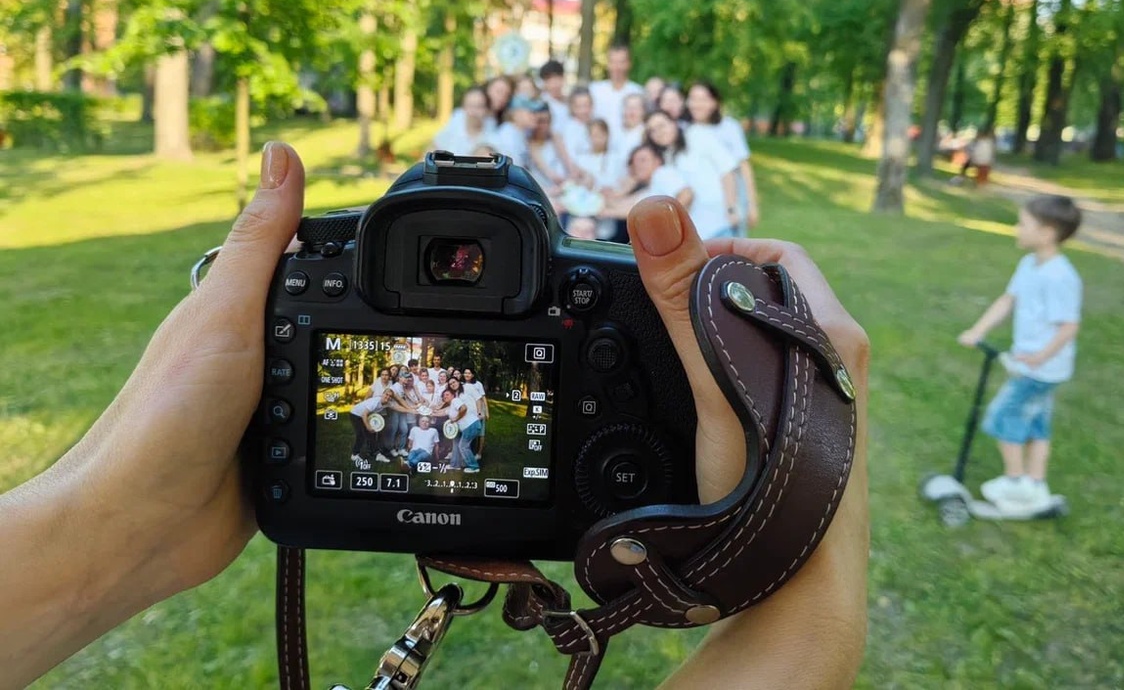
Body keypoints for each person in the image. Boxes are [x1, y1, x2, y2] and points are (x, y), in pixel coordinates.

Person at [0, 142, 868, 690]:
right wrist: (808, 483)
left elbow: (445, 406)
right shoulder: (403, 394)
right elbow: (397, 400)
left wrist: (118, 529)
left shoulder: (461, 398)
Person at [957, 194, 1084, 508]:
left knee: (1004, 416)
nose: (1017, 228)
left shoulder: (1059, 276)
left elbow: (1069, 326)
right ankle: (1035, 483)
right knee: (1037, 423)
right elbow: (1008, 300)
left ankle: (1015, 482)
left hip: (1039, 368)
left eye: (1023, 223)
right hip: (1037, 365)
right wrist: (978, 330)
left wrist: (1039, 358)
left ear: (1047, 232)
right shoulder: (1029, 264)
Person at [645, 110, 739, 241]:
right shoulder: (667, 157)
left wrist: (731, 209)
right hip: (699, 233)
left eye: (662, 126)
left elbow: (727, 169)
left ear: (673, 123)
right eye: (652, 131)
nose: (658, 132)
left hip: (721, 224)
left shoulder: (697, 134)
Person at [685, 81, 759, 234]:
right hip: (702, 208)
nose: (697, 104)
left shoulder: (729, 127)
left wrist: (752, 205)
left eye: (703, 99)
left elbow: (743, 166)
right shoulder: (687, 130)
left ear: (714, 102)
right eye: (693, 98)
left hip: (731, 200)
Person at [589, 43, 643, 130]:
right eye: (613, 62)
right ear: (607, 64)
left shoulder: (638, 92)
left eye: (621, 62)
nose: (617, 67)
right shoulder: (594, 90)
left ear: (629, 64)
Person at [431, 86, 491, 155]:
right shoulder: (454, 124)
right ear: (463, 107)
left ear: (487, 109)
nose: (473, 112)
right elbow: (434, 146)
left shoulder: (492, 133)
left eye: (479, 106)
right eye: (470, 106)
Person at [539, 59, 570, 127]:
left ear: (563, 78)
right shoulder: (541, 104)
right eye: (549, 81)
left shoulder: (571, 102)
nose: (554, 85)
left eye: (556, 79)